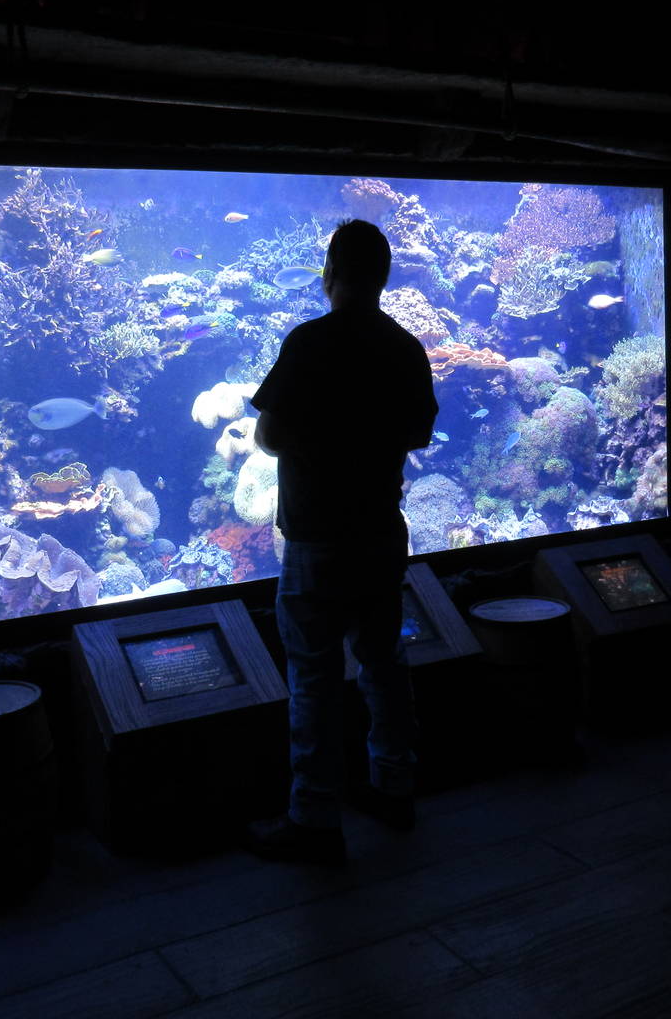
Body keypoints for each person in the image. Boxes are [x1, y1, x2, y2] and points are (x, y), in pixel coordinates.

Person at [244, 219, 438, 864]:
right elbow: (417, 435)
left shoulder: (309, 342)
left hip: (317, 535)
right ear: (384, 276)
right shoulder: (405, 347)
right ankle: (395, 787)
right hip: (380, 530)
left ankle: (315, 817)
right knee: (384, 661)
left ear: (330, 271)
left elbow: (268, 435)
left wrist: (316, 442)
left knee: (314, 675)